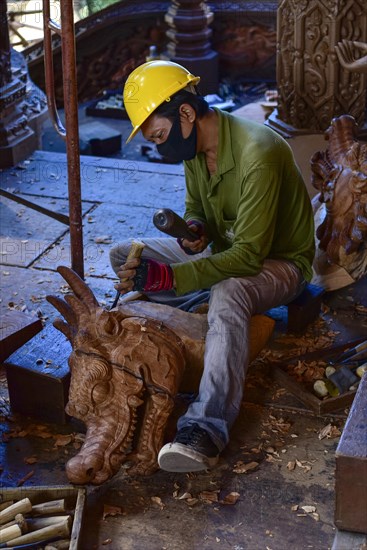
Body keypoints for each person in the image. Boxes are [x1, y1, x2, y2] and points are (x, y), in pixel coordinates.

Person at [110, 60, 315, 473]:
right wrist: (196, 229)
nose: (161, 148)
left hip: (279, 265)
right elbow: (196, 208)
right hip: (226, 250)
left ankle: (206, 428)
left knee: (229, 290)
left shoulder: (259, 151)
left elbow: (248, 258)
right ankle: (203, 302)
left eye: (161, 136)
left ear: (186, 113)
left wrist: (172, 276)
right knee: (122, 253)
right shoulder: (195, 148)